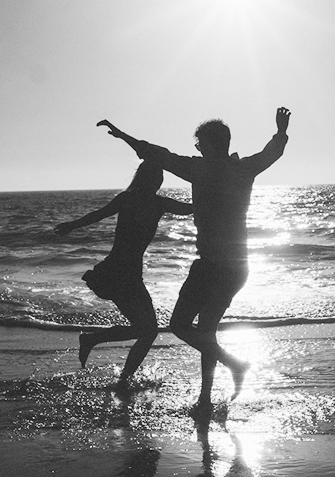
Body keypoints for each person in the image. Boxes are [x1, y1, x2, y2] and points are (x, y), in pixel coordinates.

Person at [96, 107, 291, 411]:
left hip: (211, 266)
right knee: (206, 332)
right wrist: (280, 130)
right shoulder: (243, 169)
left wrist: (122, 136)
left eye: (200, 145)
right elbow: (272, 153)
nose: (197, 151)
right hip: (239, 268)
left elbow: (156, 154)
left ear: (211, 145)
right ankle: (205, 400)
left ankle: (233, 366)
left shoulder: (200, 170)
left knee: (180, 326)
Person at [54, 160, 193, 390]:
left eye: (160, 177)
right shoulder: (134, 200)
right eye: (155, 177)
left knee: (147, 331)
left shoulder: (157, 203)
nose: (158, 181)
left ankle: (98, 348)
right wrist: (72, 225)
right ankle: (120, 376)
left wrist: (214, 190)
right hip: (118, 272)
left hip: (129, 274)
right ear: (147, 179)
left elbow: (191, 208)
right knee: (148, 331)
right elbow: (99, 215)